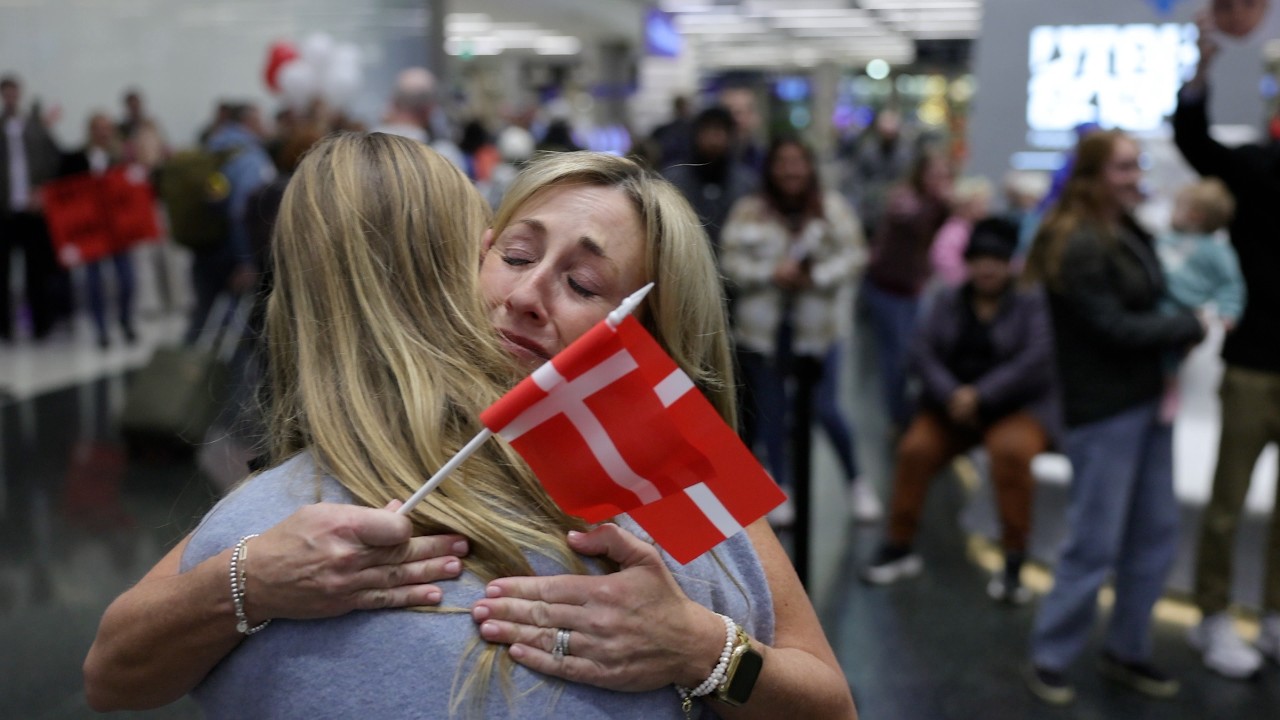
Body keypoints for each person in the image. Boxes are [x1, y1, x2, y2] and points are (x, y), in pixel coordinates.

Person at [84, 141, 857, 719]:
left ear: (643, 339)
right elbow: (112, 673)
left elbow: (830, 709)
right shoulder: (325, 474)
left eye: (583, 284)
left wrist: (705, 652)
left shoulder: (678, 486)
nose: (525, 294)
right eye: (515, 254)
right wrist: (248, 583)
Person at [1021, 130, 1205, 706]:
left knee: (1154, 535)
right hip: (1105, 410)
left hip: (1145, 402)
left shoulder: (1122, 229)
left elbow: (1143, 306)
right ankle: (1050, 656)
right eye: (1124, 167)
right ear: (1094, 175)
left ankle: (1126, 649)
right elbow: (1116, 329)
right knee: (1094, 543)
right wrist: (1190, 325)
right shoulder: (1077, 242)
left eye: (1136, 165)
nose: (1135, 175)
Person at [860, 218, 1058, 604]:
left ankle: (1014, 560)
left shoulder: (1031, 301)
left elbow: (1036, 360)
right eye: (980, 259)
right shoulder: (947, 298)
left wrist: (980, 394)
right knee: (915, 450)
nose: (987, 268)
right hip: (950, 408)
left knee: (1013, 455)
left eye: (996, 259)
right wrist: (955, 394)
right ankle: (898, 545)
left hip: (1013, 408)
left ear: (1009, 263)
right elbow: (921, 351)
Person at [1174, 13, 1280, 679]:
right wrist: (1202, 70)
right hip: (1250, 367)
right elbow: (1195, 140)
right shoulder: (1255, 167)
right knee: (1226, 507)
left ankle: (1272, 616)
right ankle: (1212, 617)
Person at [720, 138, 878, 525]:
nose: (791, 170)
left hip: (818, 332)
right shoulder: (750, 211)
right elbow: (728, 260)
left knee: (826, 409)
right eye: (782, 162)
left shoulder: (832, 208)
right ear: (770, 167)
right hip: (763, 332)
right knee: (771, 411)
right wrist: (769, 274)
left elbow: (856, 255)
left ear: (810, 167)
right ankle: (781, 487)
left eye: (798, 162)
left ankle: (856, 483)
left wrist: (818, 276)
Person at [861, 148, 953, 431]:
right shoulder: (907, 201)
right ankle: (898, 417)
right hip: (888, 288)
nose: (938, 180)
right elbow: (914, 222)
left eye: (943, 175)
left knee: (910, 353)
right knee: (897, 356)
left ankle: (904, 414)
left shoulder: (935, 204)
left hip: (913, 288)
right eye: (933, 174)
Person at [1154, 178, 1244, 423]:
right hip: (1156, 305)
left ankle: (1169, 390)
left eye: (1177, 207)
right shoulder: (1165, 238)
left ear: (1194, 215)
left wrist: (1229, 312)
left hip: (1184, 311)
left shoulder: (1217, 251)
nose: (1172, 213)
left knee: (1169, 357)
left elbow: (1231, 284)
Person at [186, 102, 275, 343]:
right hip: (233, 250)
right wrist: (246, 260)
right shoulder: (247, 154)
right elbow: (240, 211)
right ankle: (233, 379)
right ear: (248, 122)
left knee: (203, 315)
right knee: (243, 328)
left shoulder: (212, 146)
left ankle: (186, 375)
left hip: (205, 246)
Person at [60, 112, 138, 348]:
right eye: (98, 128)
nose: (103, 132)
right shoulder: (76, 158)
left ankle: (125, 320)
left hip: (117, 228)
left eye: (107, 127)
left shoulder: (120, 157)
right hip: (91, 230)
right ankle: (101, 328)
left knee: (127, 278)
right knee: (94, 281)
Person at [1, 73, 64, 341]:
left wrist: (43, 191)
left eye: (14, 92)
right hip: (4, 211)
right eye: (7, 93)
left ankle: (41, 325)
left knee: (36, 270)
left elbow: (54, 161)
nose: (11, 97)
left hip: (33, 210)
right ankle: (6, 328)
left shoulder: (36, 127)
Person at [662, 106, 758, 258]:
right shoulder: (673, 180)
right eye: (708, 131)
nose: (714, 139)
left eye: (720, 131)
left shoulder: (747, 183)